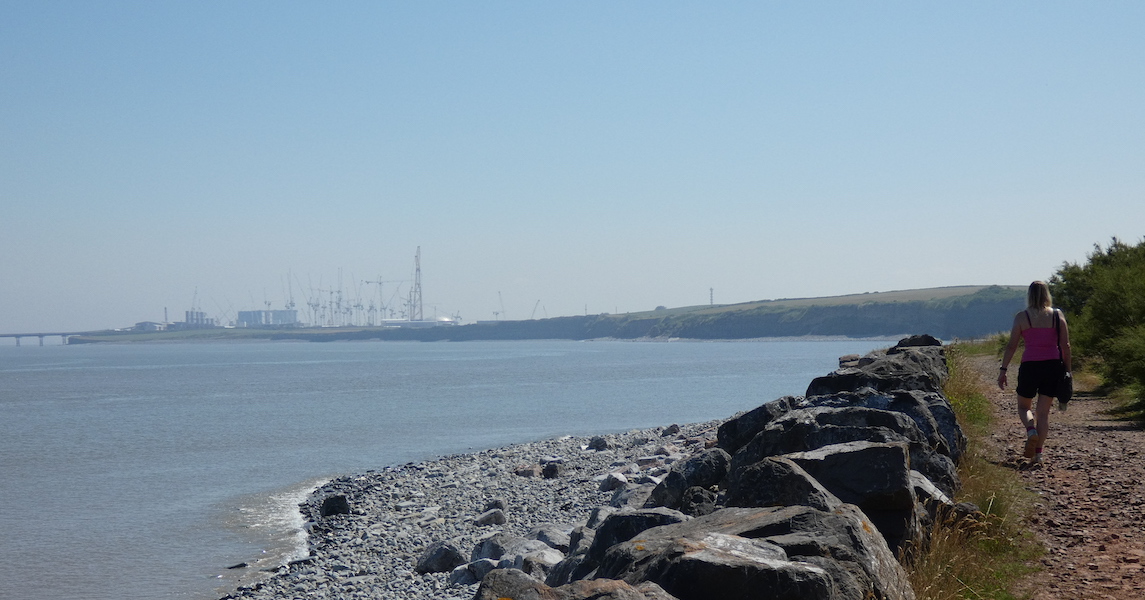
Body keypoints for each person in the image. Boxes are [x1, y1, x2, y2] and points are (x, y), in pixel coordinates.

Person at [998, 281, 1072, 465]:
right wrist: (1068, 370)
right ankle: (1039, 454)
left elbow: (1012, 345)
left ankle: (1031, 430)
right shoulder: (1057, 315)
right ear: (1047, 294)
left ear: (1029, 295)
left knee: (1024, 407)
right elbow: (1065, 345)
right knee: (1044, 413)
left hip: (1030, 366)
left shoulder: (1022, 317)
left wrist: (1003, 369)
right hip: (1053, 366)